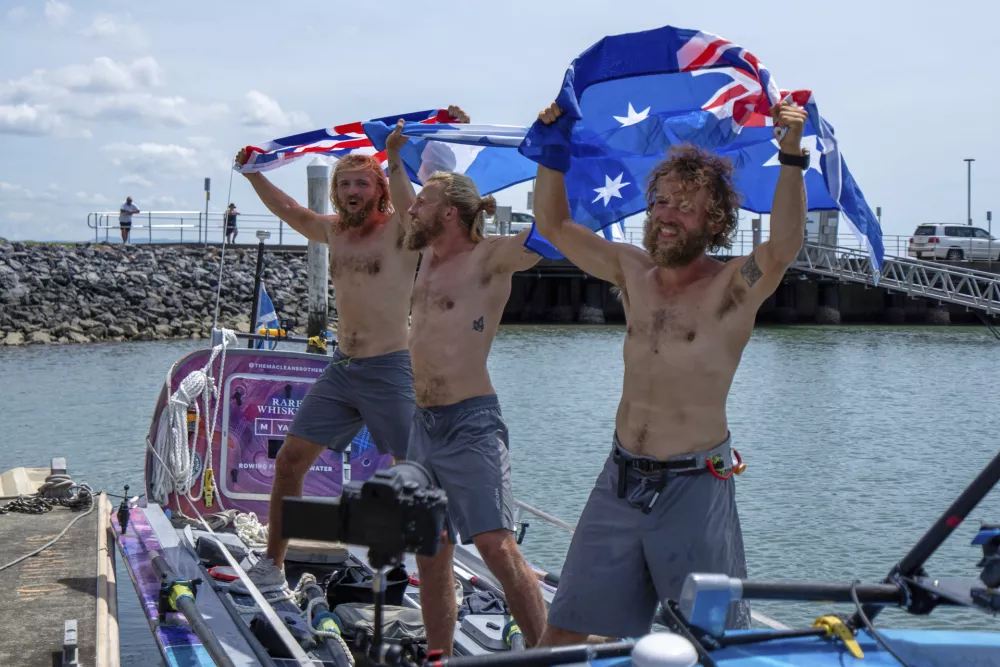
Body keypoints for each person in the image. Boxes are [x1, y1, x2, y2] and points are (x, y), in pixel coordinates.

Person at [531, 99, 810, 644]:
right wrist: (552, 145)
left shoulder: (730, 288)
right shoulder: (632, 272)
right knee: (560, 637)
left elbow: (783, 246)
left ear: (714, 221)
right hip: (619, 480)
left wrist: (791, 155)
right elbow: (555, 223)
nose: (665, 214)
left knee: (708, 645)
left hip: (693, 489)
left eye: (684, 206)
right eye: (659, 201)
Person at [228, 105, 470, 597]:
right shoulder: (333, 231)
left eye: (362, 184)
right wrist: (253, 174)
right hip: (342, 369)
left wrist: (447, 130)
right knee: (290, 461)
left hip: (391, 369)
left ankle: (441, 578)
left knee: (419, 478)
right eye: (345, 186)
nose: (352, 192)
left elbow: (425, 196)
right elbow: (294, 213)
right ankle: (273, 567)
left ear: (380, 189)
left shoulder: (403, 232)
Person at [384, 120, 547, 653]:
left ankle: (549, 653)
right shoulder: (426, 251)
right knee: (431, 549)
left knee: (497, 546)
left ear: (449, 212)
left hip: (470, 421)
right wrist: (393, 153)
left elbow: (550, 232)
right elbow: (404, 195)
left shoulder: (490, 258)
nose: (411, 208)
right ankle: (438, 656)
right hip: (423, 425)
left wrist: (553, 155)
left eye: (422, 202)